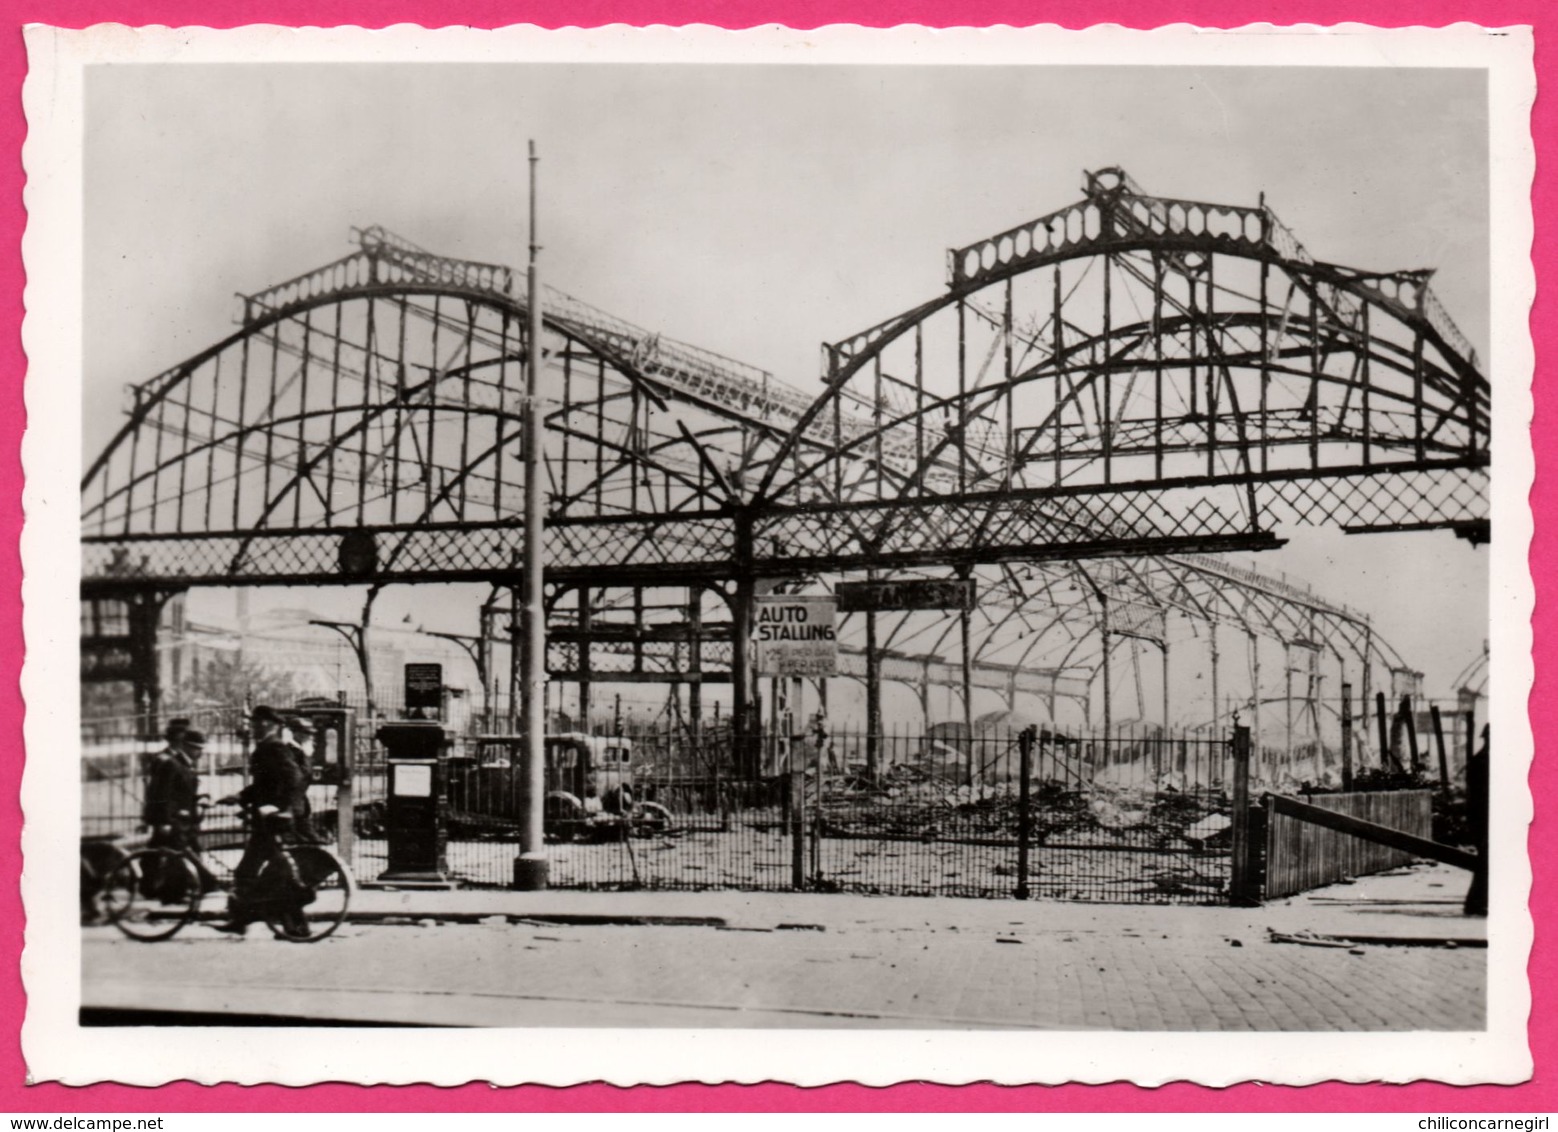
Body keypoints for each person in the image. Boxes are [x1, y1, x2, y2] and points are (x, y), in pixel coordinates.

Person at [217, 705, 310, 935]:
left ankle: (243, 919)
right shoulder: (267, 747)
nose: (252, 727)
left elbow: (295, 778)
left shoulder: (274, 747)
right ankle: (295, 926)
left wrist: (287, 809)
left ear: (269, 725)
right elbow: (263, 785)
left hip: (273, 820)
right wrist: (240, 797)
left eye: (256, 723)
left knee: (248, 872)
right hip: (267, 820)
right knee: (278, 876)